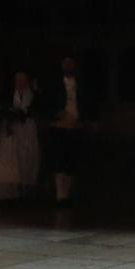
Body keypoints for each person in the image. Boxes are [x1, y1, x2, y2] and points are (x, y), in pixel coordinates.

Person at [0, 71, 42, 202]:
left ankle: (24, 191)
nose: (21, 83)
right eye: (18, 80)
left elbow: (33, 111)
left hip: (27, 131)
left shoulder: (33, 96)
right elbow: (2, 110)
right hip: (10, 129)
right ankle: (7, 191)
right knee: (8, 159)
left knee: (27, 158)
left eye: (23, 80)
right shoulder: (9, 95)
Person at [42, 56, 86, 206]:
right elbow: (47, 102)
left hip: (75, 125)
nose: (68, 66)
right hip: (59, 125)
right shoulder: (54, 84)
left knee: (71, 161)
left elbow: (86, 101)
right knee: (59, 159)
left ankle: (67, 194)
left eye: (71, 63)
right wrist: (56, 113)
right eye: (66, 63)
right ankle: (60, 195)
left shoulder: (81, 83)